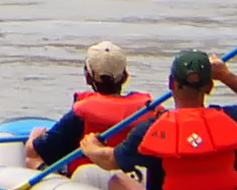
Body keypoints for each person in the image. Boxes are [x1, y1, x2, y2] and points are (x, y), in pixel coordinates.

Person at [79, 50, 237, 190]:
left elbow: (109, 160)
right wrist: (226, 76)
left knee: (108, 177)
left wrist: (91, 146)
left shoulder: (151, 129)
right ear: (210, 86)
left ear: (171, 84)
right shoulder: (234, 120)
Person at [22, 41, 150, 181]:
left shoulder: (79, 115)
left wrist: (33, 137)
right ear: (125, 76)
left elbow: (35, 151)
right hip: (132, 178)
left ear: (88, 77)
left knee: (31, 159)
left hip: (87, 184)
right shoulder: (147, 112)